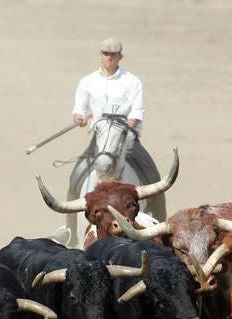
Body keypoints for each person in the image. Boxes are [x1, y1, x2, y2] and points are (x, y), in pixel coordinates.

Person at [66, 38, 164, 246]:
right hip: (99, 138)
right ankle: (70, 232)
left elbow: (138, 110)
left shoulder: (132, 81)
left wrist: (132, 121)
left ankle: (162, 225)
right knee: (76, 177)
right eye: (105, 54)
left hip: (126, 138)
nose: (108, 58)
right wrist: (79, 118)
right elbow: (79, 109)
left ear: (120, 56)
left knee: (154, 176)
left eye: (113, 54)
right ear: (100, 55)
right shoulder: (87, 82)